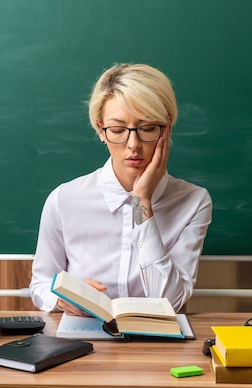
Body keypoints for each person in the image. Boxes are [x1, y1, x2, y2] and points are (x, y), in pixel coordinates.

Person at [29, 63, 212, 314]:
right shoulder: (64, 199)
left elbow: (171, 303)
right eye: (117, 130)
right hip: (83, 339)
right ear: (100, 129)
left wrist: (142, 201)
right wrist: (63, 299)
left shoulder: (194, 202)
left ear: (166, 129)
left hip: (157, 344)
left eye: (147, 129)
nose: (133, 145)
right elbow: (39, 285)